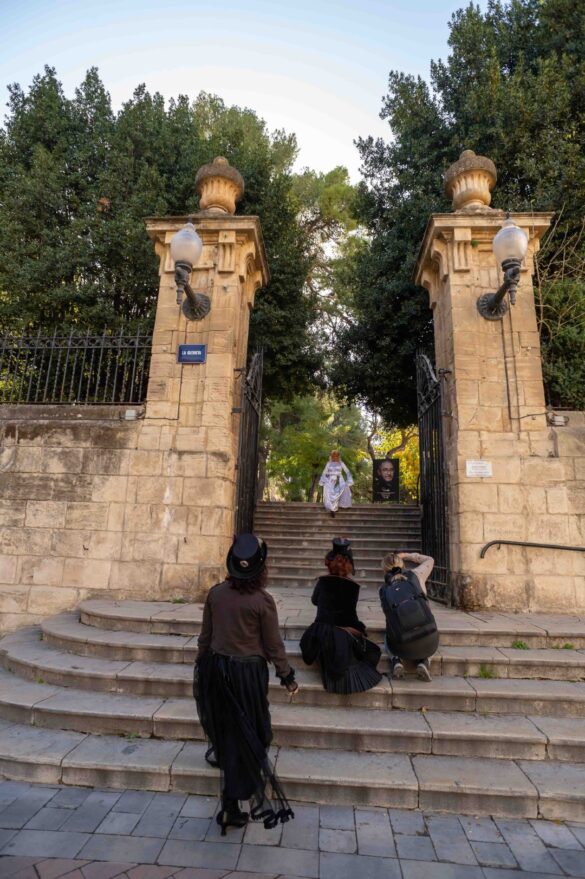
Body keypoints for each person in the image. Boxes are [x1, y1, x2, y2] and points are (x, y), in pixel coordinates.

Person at [194, 533, 298, 835]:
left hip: (217, 670)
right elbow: (274, 645)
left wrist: (202, 667)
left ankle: (230, 806)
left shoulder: (215, 594)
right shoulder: (262, 601)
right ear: (260, 569)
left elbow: (205, 638)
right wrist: (287, 677)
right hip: (248, 676)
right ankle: (240, 794)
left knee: (229, 734)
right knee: (255, 732)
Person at [300, 538, 382, 694]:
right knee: (362, 641)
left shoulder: (322, 582)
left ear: (330, 563)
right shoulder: (353, 587)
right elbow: (350, 616)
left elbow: (314, 601)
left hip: (321, 632)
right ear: (349, 566)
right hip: (339, 634)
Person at [379, 551, 439, 682]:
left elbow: (389, 618)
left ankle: (396, 661)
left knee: (387, 633)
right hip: (428, 638)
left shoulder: (383, 590)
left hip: (402, 646)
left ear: (384, 570)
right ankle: (424, 662)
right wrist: (407, 555)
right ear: (402, 564)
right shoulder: (416, 575)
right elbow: (430, 560)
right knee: (431, 627)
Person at [319, 450, 353, 517]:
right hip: (330, 480)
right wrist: (323, 479)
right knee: (329, 493)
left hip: (339, 480)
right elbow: (324, 472)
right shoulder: (328, 463)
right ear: (331, 456)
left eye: (336, 456)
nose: (334, 457)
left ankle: (335, 508)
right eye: (333, 456)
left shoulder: (341, 463)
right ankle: (332, 509)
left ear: (338, 456)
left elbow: (347, 471)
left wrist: (349, 479)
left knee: (338, 493)